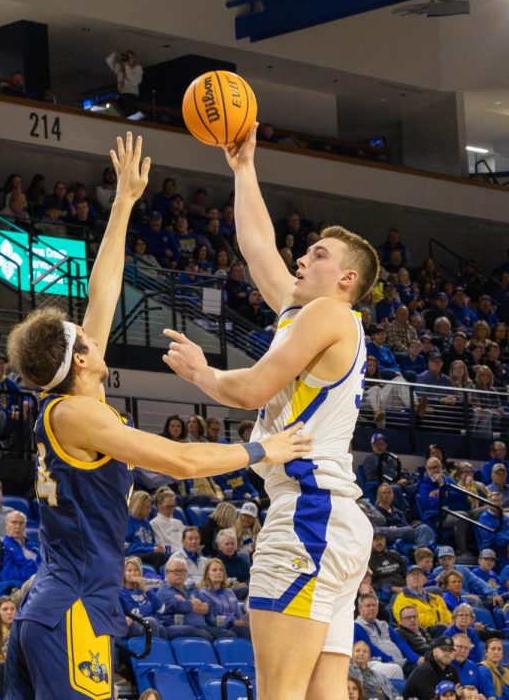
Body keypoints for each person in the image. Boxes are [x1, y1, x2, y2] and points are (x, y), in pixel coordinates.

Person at [2, 134, 312, 700]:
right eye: (83, 339)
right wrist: (264, 448)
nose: (94, 335)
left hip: (48, 608)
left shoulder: (71, 401)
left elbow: (104, 291)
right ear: (79, 360)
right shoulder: (78, 415)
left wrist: (123, 203)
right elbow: (176, 458)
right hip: (70, 609)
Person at [162, 124, 381, 700]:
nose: (302, 258)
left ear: (347, 278)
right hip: (334, 522)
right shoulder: (311, 316)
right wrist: (243, 168)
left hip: (308, 514)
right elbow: (258, 246)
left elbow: (254, 388)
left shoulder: (329, 314)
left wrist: (204, 374)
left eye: (318, 254)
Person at [0, 511, 39, 596]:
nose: (17, 526)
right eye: (14, 522)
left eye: (21, 523)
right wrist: (32, 566)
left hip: (38, 586)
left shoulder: (35, 548)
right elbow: (7, 575)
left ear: (25, 526)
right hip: (15, 590)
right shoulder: (1, 547)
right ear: (6, 526)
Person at [403, 635, 460, 700]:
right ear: (434, 652)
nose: (447, 653)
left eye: (450, 651)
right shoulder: (424, 671)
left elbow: (457, 694)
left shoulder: (452, 670)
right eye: (444, 650)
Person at [105, 50, 143, 117]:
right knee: (122, 112)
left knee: (131, 112)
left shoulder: (137, 68)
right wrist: (116, 52)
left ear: (134, 59)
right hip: (122, 92)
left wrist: (126, 66)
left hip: (132, 94)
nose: (128, 59)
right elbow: (108, 60)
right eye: (127, 57)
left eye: (130, 57)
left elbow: (131, 78)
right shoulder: (120, 68)